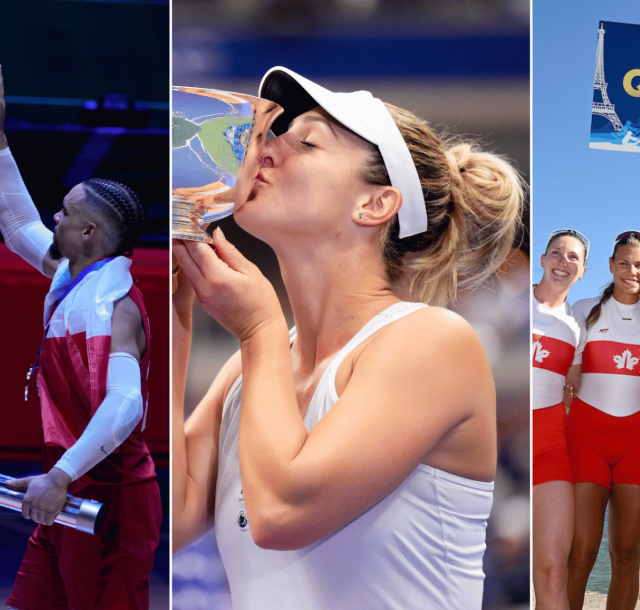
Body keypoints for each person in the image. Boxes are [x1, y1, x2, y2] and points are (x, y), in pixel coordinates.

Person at [172, 66, 523, 609]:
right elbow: (167, 521)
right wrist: (174, 313)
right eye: (274, 132)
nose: (265, 144)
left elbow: (280, 515)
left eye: (306, 141)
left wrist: (260, 328)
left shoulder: (432, 341)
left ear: (375, 204)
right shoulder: (246, 371)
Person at [0, 65, 160, 609]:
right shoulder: (72, 277)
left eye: (65, 211)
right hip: (71, 492)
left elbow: (125, 403)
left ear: (88, 232)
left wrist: (60, 475)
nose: (52, 216)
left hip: (109, 504)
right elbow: (15, 223)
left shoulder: (115, 306)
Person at [565, 230, 640, 610]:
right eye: (623, 263)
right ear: (610, 266)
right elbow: (567, 380)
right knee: (581, 552)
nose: (631, 271)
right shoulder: (584, 309)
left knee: (627, 554)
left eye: (639, 265)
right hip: (587, 439)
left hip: (638, 444)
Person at [532, 229, 588, 609]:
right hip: (496, 443)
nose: (562, 262)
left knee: (553, 569)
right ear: (542, 260)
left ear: (582, 271)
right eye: (556, 253)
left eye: (573, 258)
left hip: (550, 448)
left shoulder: (576, 327)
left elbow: (576, 388)